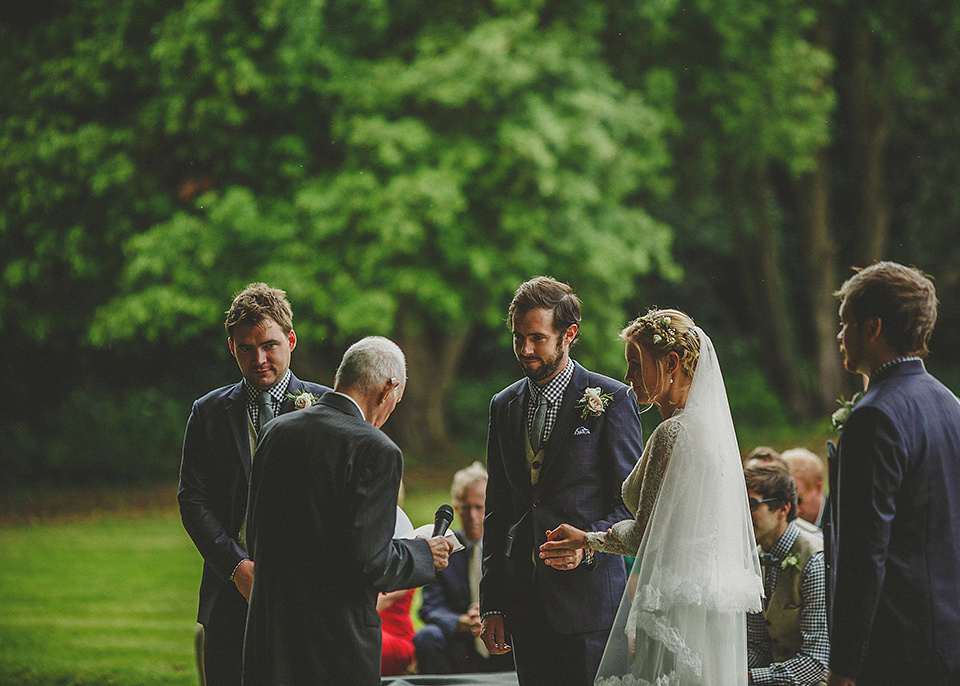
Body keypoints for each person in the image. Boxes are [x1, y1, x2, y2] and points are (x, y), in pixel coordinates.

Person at [541, 309, 763, 685]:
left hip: (671, 606)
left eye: (635, 364)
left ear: (671, 363)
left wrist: (587, 539)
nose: (627, 378)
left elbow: (647, 533)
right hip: (703, 602)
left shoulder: (672, 434)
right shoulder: (713, 433)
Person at [241, 336, 454, 685]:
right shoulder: (376, 449)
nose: (389, 412)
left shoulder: (275, 432)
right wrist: (423, 553)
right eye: (395, 402)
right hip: (335, 647)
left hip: (271, 636)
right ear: (389, 389)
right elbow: (370, 563)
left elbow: (257, 536)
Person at [479, 276, 642, 686]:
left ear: (569, 334)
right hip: (525, 602)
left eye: (537, 338)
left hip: (590, 607)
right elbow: (497, 509)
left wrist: (588, 546)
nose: (525, 350)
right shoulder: (504, 405)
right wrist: (493, 603)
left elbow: (631, 505)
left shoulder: (612, 400)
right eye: (518, 338)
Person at [178, 282, 331, 685]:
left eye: (269, 345)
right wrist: (236, 566)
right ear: (232, 348)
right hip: (230, 591)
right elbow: (193, 500)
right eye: (246, 348)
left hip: (309, 596)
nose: (258, 358)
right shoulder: (208, 413)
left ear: (291, 340)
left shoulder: (328, 407)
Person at [827, 262, 960, 685]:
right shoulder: (950, 404)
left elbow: (864, 554)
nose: (839, 335)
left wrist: (845, 665)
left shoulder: (875, 417)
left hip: (896, 649)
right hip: (948, 636)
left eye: (845, 323)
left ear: (873, 328)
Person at [415, 461, 515, 675]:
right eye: (465, 507)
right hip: (461, 644)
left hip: (503, 641)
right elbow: (429, 607)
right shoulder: (444, 547)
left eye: (479, 507)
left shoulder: (506, 547)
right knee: (427, 637)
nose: (472, 516)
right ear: (455, 507)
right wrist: (462, 622)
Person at [745, 462, 829, 685]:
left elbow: (817, 662)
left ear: (783, 508)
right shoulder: (754, 559)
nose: (743, 514)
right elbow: (759, 644)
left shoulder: (814, 560)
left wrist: (750, 678)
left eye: (752, 504)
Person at [782, 448, 826, 528]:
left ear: (818, 488)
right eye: (783, 501)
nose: (788, 509)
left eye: (797, 500)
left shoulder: (839, 522)